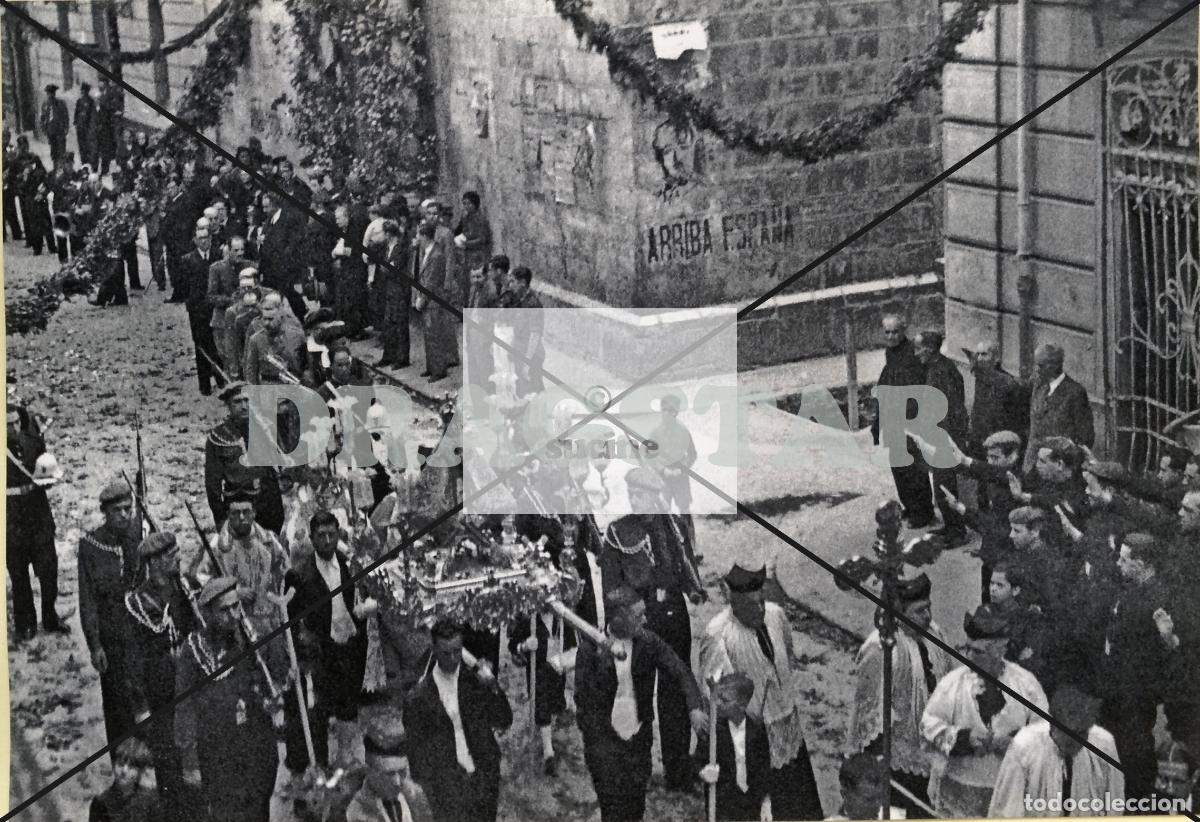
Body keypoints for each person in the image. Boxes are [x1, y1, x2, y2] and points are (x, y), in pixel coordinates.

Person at [699, 563, 824, 819]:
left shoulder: (776, 616)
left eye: (761, 602)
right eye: (749, 605)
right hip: (754, 741)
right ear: (733, 602)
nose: (758, 610)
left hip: (787, 727)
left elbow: (787, 656)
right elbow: (721, 698)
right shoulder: (718, 635)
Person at [575, 585, 706, 822]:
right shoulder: (590, 649)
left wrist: (694, 707)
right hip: (605, 749)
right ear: (618, 618)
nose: (645, 620)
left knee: (635, 809)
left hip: (638, 743)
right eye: (638, 616)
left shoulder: (648, 642)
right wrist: (599, 747)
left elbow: (680, 672)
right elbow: (583, 704)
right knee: (613, 812)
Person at [920, 604, 1048, 817]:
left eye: (977, 651)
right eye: (967, 648)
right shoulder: (953, 684)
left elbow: (1044, 730)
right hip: (961, 791)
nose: (968, 656)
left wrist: (1015, 744)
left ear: (1000, 649)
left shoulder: (1025, 684)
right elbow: (928, 725)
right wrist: (963, 738)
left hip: (1010, 791)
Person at [175, 576, 283, 822]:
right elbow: (184, 705)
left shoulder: (253, 636)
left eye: (237, 606)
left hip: (255, 745)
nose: (234, 615)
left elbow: (274, 679)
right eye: (225, 610)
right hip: (217, 750)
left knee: (257, 810)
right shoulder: (192, 650)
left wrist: (270, 696)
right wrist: (190, 760)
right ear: (208, 614)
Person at [848, 573, 954, 818]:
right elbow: (868, 717)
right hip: (900, 764)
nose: (927, 617)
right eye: (919, 611)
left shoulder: (933, 633)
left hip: (935, 751)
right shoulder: (882, 649)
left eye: (929, 608)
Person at [283, 511, 376, 777]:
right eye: (320, 536)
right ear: (311, 538)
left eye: (331, 535)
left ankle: (346, 760)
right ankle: (319, 768)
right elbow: (290, 621)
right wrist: (300, 656)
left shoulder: (350, 565)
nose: (326, 541)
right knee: (319, 712)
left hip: (349, 646)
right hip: (321, 653)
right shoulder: (298, 575)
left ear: (338, 535)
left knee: (348, 704)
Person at [404, 619, 514, 822]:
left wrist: (492, 686)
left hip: (483, 776)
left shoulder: (474, 681)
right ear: (434, 650)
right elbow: (416, 756)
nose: (453, 659)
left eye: (457, 651)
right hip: (448, 788)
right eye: (446, 653)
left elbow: (504, 719)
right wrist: (434, 789)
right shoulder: (419, 698)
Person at [1098, 532, 1177, 806]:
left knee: (1134, 751)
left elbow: (1161, 650)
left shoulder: (1159, 597)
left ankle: (1138, 802)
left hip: (1136, 689)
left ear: (1141, 563)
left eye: (1123, 559)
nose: (1118, 564)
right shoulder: (1132, 588)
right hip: (1119, 683)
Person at [121, 532, 195, 820]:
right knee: (169, 771)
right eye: (169, 555)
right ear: (153, 562)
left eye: (177, 552)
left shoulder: (184, 588)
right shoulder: (137, 603)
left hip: (191, 689)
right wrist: (141, 710)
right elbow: (133, 662)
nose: (177, 557)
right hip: (161, 697)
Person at [987, 685, 1124, 817]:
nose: (1076, 741)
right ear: (1053, 724)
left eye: (1082, 733)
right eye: (1069, 732)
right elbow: (1006, 810)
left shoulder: (1105, 744)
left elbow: (1115, 803)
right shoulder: (1024, 745)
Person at [78, 481, 142, 759]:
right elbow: (87, 599)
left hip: (140, 634)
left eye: (128, 509)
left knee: (143, 701)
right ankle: (122, 764)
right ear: (105, 512)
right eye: (118, 510)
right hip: (111, 638)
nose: (125, 515)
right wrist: (94, 645)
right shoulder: (90, 547)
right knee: (117, 706)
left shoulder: (137, 537)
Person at [195, 483, 289, 635]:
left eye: (246, 512)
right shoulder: (216, 547)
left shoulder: (269, 541)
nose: (241, 518)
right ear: (228, 514)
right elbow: (203, 581)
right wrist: (234, 593)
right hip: (236, 625)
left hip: (269, 622)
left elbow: (285, 573)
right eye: (235, 513)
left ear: (254, 513)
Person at [6, 400, 65, 640]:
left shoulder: (33, 438)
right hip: (10, 517)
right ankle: (25, 624)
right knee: (19, 575)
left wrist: (49, 477)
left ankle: (50, 617)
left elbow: (45, 465)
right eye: (7, 424)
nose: (14, 428)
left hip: (37, 511)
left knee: (49, 570)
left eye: (17, 422)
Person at [873, 315, 934, 527]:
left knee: (913, 467)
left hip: (908, 419)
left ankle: (923, 512)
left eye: (895, 332)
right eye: (887, 332)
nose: (890, 336)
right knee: (898, 466)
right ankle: (909, 506)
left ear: (903, 331)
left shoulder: (912, 354)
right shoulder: (890, 352)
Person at [204, 381, 286, 534]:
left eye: (247, 400)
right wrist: (220, 518)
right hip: (239, 504)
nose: (244, 406)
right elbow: (212, 484)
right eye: (237, 401)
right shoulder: (218, 437)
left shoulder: (266, 428)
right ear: (228, 405)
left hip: (269, 503)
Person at [913, 330, 969, 546]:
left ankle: (957, 532)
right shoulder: (935, 369)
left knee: (944, 487)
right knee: (940, 486)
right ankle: (950, 526)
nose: (917, 354)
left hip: (944, 439)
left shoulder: (944, 372)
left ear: (929, 348)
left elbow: (953, 409)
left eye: (919, 349)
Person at [509, 600, 576, 775]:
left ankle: (562, 706)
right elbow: (512, 647)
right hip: (538, 670)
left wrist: (564, 661)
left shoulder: (563, 619)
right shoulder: (528, 620)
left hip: (558, 669)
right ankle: (548, 753)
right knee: (542, 706)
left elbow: (573, 646)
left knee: (556, 703)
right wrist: (524, 646)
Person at [697, 672, 772, 822]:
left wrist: (766, 802)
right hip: (723, 803)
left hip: (751, 801)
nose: (717, 703)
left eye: (724, 700)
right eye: (717, 697)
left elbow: (763, 769)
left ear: (742, 705)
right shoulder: (713, 731)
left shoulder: (757, 731)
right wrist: (703, 772)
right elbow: (697, 761)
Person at [1023, 344, 1095, 473]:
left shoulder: (1075, 392)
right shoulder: (1038, 386)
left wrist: (1067, 462)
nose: (1036, 370)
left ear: (1055, 366)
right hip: (1032, 464)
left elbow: (1086, 437)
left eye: (1041, 365)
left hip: (1058, 470)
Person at [347, 716, 433, 822]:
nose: (397, 782)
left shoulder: (416, 797)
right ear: (370, 772)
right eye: (389, 774)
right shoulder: (358, 812)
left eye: (402, 772)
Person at [179, 223, 225, 395]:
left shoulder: (218, 256)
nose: (204, 241)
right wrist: (191, 304)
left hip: (215, 307)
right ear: (195, 240)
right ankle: (204, 383)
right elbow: (184, 286)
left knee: (217, 343)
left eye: (207, 237)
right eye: (201, 238)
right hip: (198, 310)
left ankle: (221, 379)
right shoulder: (188, 260)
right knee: (201, 344)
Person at [966, 341, 1029, 462]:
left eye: (984, 354)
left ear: (996, 358)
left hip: (999, 443)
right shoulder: (981, 377)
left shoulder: (1008, 383)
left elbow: (1020, 418)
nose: (979, 358)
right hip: (981, 439)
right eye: (977, 354)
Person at [89, 737, 155, 822]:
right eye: (121, 764)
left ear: (140, 771)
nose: (124, 771)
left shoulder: (149, 802)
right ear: (113, 764)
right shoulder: (101, 802)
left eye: (131, 767)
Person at [502, 266, 545, 395]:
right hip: (520, 349)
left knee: (533, 389)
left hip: (530, 354)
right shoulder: (519, 299)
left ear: (522, 283)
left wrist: (527, 362)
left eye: (513, 282)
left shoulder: (533, 303)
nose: (510, 285)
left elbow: (535, 335)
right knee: (521, 388)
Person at [826, 753, 906, 820]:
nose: (877, 805)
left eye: (879, 797)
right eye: (869, 799)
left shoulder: (898, 817)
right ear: (846, 795)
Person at [377, 219, 411, 368]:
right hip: (390, 290)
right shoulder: (387, 248)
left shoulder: (400, 248)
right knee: (389, 324)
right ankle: (389, 355)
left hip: (399, 290)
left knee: (400, 325)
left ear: (389, 233)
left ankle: (402, 358)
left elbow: (392, 268)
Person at [453, 191, 492, 299]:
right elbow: (458, 231)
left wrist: (467, 244)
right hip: (466, 256)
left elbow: (483, 239)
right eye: (464, 203)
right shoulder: (465, 218)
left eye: (468, 203)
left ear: (475, 204)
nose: (466, 206)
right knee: (466, 284)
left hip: (478, 256)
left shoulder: (481, 219)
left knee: (477, 284)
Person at [39, 84, 69, 163]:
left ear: (54, 94)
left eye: (52, 93)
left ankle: (61, 167)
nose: (50, 95)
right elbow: (43, 117)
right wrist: (43, 128)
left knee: (62, 152)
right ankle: (55, 167)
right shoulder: (45, 104)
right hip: (51, 131)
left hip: (60, 131)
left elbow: (65, 116)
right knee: (54, 152)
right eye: (49, 94)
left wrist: (66, 128)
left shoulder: (61, 103)